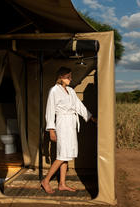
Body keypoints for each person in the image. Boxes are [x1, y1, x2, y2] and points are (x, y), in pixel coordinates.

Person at [41, 66, 96, 194]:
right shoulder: (54, 91)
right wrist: (51, 130)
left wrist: (91, 117)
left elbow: (78, 105)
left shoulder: (71, 91)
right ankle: (46, 180)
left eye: (70, 77)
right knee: (62, 155)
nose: (70, 79)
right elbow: (49, 111)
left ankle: (62, 184)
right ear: (60, 77)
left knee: (66, 156)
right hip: (61, 124)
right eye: (68, 77)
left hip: (71, 124)